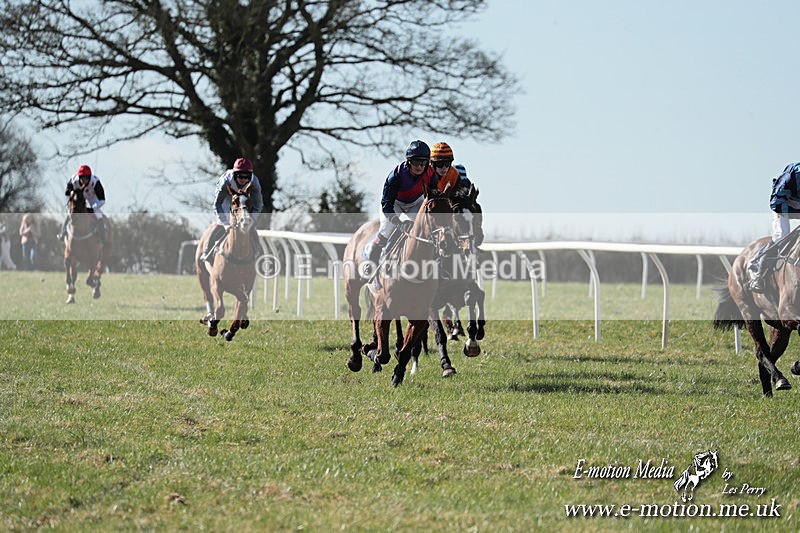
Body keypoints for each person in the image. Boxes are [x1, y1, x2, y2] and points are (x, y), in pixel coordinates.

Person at [368, 140, 438, 267]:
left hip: (415, 202)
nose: (420, 166)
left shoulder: (431, 174)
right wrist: (398, 224)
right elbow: (387, 205)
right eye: (416, 162)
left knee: (431, 229)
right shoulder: (396, 176)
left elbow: (433, 198)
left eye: (424, 163)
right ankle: (371, 263)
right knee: (386, 231)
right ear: (409, 161)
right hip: (394, 204)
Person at [200, 157, 263, 264]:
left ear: (250, 176)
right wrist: (225, 223)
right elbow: (217, 204)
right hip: (226, 198)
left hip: (244, 200)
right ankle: (207, 251)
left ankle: (260, 253)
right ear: (234, 174)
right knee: (223, 222)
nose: (243, 179)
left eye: (246, 176)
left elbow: (258, 203)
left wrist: (252, 218)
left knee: (249, 225)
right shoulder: (226, 181)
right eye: (239, 176)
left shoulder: (254, 182)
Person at [749, 161, 800, 292]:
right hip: (781, 202)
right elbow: (775, 203)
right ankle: (758, 269)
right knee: (782, 234)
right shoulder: (791, 176)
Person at [58, 164, 108, 243]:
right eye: (82, 178)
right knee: (69, 213)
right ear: (79, 177)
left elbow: (102, 200)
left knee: (98, 214)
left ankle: (102, 234)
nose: (84, 181)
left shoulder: (95, 182)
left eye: (86, 178)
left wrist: (93, 208)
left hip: (92, 196)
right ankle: (63, 232)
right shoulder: (73, 180)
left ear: (89, 177)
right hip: (79, 197)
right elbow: (67, 194)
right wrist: (70, 205)